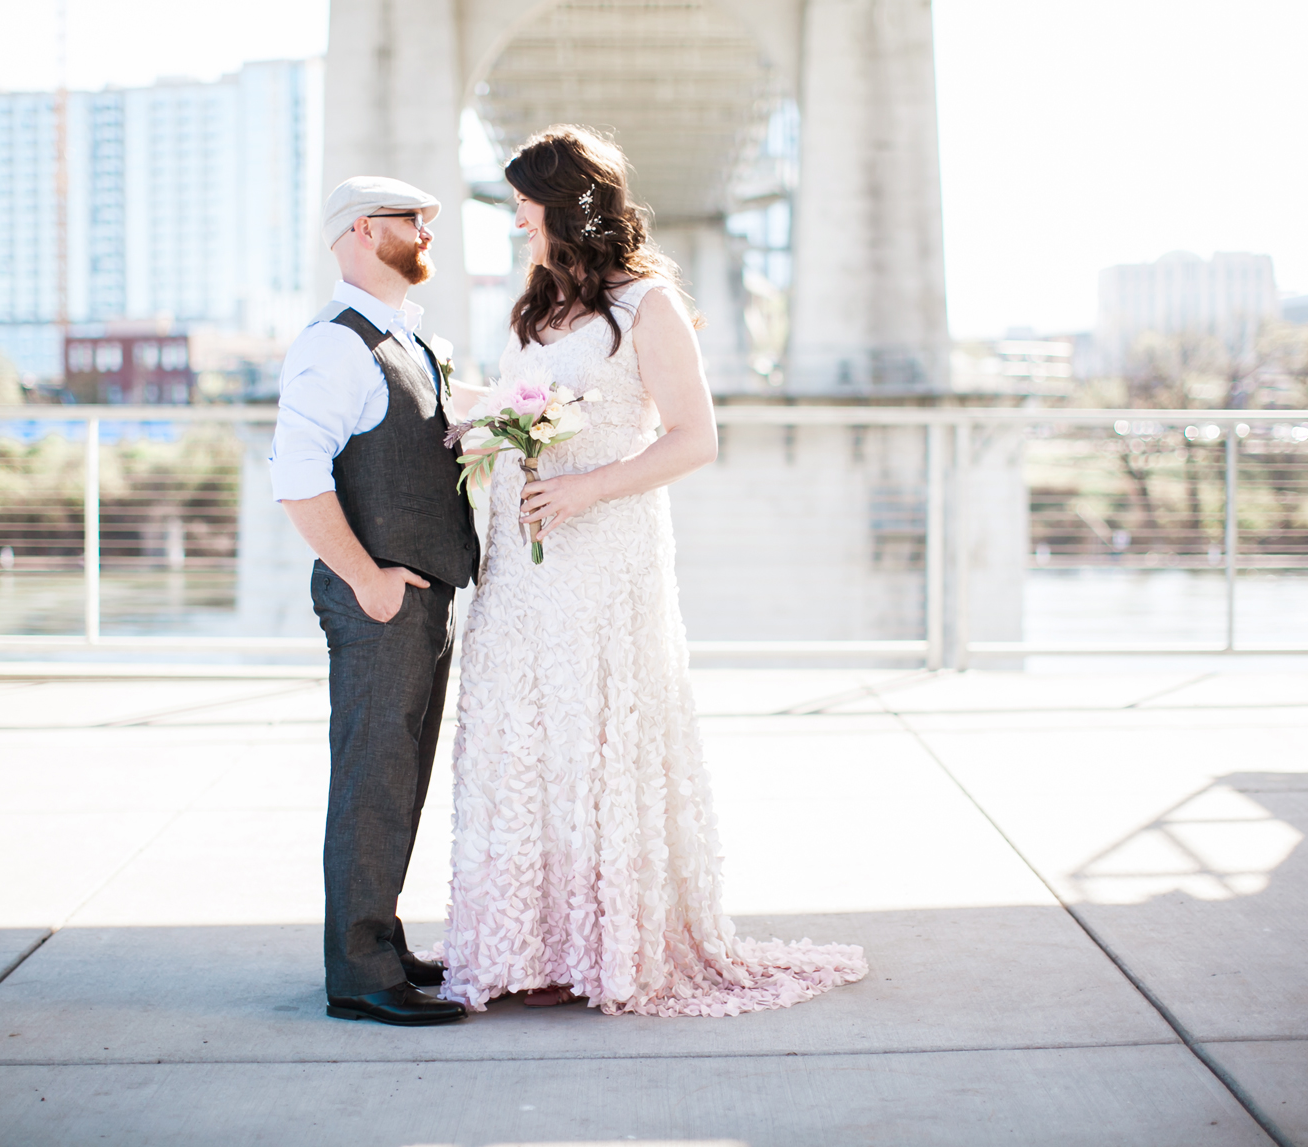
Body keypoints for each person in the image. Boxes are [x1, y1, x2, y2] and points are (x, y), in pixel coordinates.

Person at [439, 126, 868, 1016]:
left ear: (566, 205)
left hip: (604, 545)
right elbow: (521, 403)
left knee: (595, 727)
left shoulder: (650, 305)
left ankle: (609, 943)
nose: (515, 215)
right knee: (525, 729)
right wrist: (448, 401)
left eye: (525, 200)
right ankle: (531, 940)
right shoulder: (538, 305)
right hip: (523, 554)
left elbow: (694, 438)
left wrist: (589, 486)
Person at [270, 176, 478, 1027]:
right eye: (411, 220)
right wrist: (368, 580)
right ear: (363, 231)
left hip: (419, 597)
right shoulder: (336, 345)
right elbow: (295, 477)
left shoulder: (403, 339)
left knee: (401, 775)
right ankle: (358, 971)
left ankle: (380, 940)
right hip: (381, 601)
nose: (428, 230)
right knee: (372, 778)